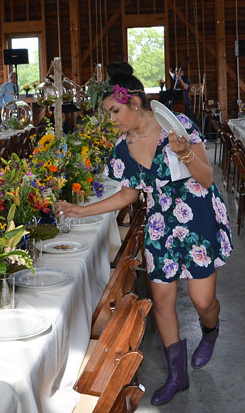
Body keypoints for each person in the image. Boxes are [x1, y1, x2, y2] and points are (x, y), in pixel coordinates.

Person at [55, 62, 232, 406]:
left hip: (197, 219)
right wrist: (80, 211)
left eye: (114, 110)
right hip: (159, 226)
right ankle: (177, 376)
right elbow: (129, 194)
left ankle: (211, 330)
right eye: (109, 113)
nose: (112, 119)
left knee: (202, 301)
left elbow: (208, 178)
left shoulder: (179, 128)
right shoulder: (122, 149)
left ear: (134, 102)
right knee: (162, 303)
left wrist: (184, 154)